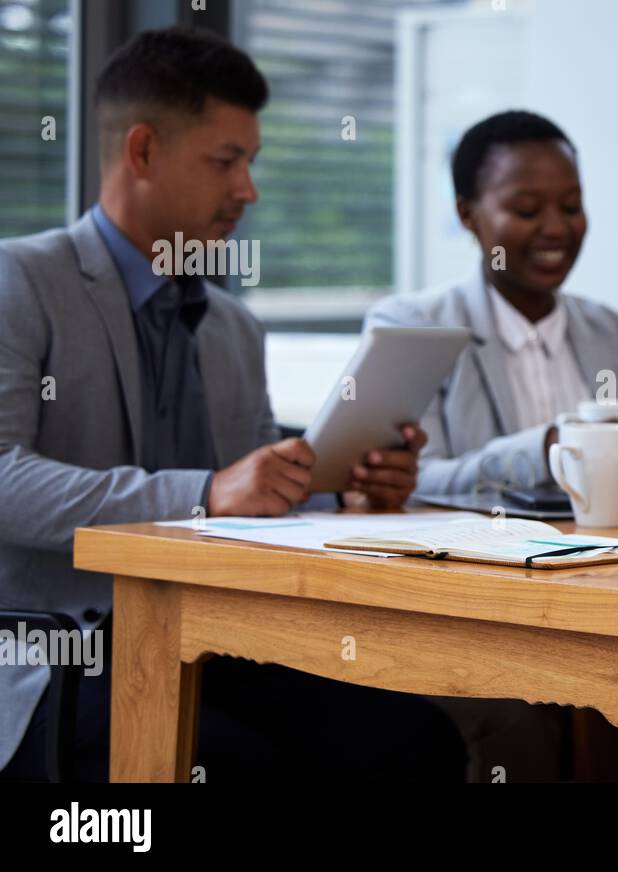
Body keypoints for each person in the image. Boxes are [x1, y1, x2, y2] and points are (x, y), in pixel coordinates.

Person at [0, 27, 463, 781]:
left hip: (218, 636)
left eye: (251, 161)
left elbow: (259, 510)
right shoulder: (21, 281)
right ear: (142, 152)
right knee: (234, 766)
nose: (248, 189)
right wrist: (207, 493)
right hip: (60, 653)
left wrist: (347, 493)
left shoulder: (234, 328)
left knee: (416, 743)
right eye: (226, 162)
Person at [366, 110, 618, 498]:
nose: (556, 229)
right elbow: (411, 484)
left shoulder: (614, 331)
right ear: (467, 214)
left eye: (571, 206)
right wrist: (548, 447)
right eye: (527, 210)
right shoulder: (413, 325)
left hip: (610, 557)